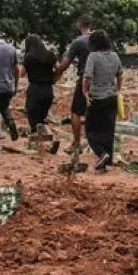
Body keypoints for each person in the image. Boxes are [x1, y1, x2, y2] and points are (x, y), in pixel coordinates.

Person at [81, 29, 123, 170]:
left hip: (97, 98)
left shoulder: (93, 56)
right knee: (108, 130)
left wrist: (85, 92)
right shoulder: (115, 56)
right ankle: (108, 159)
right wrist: (118, 89)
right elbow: (120, 74)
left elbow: (87, 76)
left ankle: (101, 153)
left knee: (91, 130)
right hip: (111, 97)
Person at [54, 16, 94, 154]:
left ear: (79, 25)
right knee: (94, 112)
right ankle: (94, 144)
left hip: (85, 80)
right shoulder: (101, 40)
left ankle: (76, 143)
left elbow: (65, 64)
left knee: (76, 112)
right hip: (103, 81)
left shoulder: (78, 42)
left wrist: (55, 74)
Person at [20, 35, 58, 135]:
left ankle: (35, 140)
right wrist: (54, 79)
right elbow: (59, 69)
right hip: (48, 90)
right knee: (42, 118)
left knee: (33, 118)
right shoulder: (50, 55)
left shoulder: (29, 57)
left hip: (35, 89)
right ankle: (46, 137)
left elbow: (21, 73)